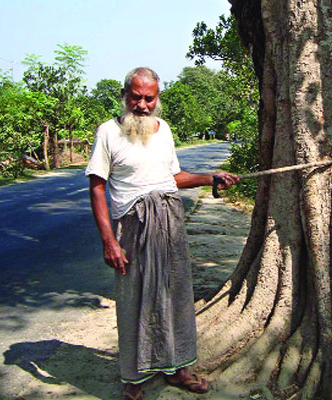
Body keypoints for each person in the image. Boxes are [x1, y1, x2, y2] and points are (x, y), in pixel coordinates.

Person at [86, 67, 238, 400]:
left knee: (176, 296)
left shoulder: (164, 129)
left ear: (157, 98)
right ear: (125, 96)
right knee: (133, 299)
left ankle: (180, 367)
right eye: (136, 97)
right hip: (132, 226)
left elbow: (175, 177)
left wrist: (210, 177)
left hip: (170, 222)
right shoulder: (108, 132)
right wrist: (109, 240)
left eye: (149, 98)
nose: (142, 105)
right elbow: (97, 189)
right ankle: (134, 378)